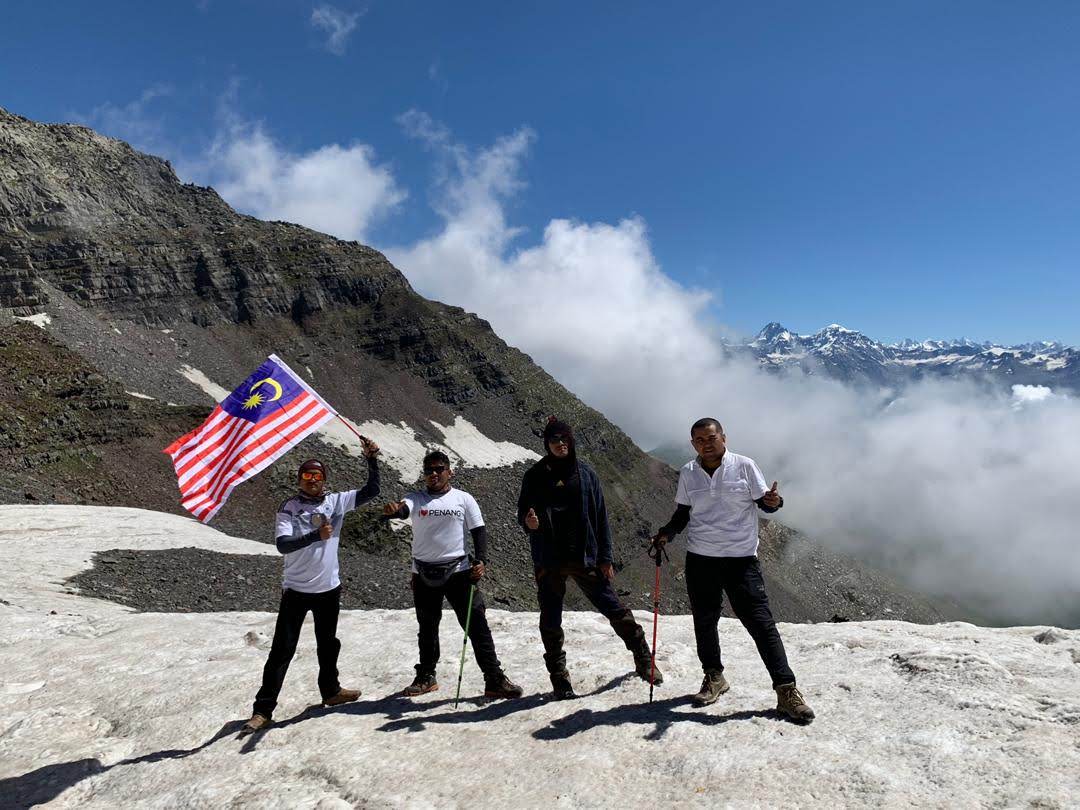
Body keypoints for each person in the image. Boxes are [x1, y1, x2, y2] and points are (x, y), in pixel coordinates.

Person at [651, 418, 815, 723]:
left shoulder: (744, 466)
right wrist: (667, 533)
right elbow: (683, 512)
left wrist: (774, 501)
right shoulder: (688, 472)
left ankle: (786, 689)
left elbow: (765, 503)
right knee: (705, 621)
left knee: (761, 624)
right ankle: (714, 677)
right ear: (693, 444)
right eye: (699, 440)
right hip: (701, 559)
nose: (706, 443)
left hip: (741, 560)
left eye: (711, 437)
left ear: (723, 437)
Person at [242, 437, 381, 734]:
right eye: (307, 476)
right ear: (299, 480)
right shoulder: (289, 507)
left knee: (328, 644)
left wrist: (371, 459)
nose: (312, 481)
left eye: (317, 476)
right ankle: (262, 709)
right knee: (282, 650)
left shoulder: (336, 502)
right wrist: (315, 536)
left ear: (324, 480)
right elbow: (282, 545)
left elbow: (373, 491)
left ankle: (330, 691)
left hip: (328, 588)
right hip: (296, 590)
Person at [517, 417, 660, 700]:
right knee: (550, 621)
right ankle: (559, 679)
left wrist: (606, 557)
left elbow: (600, 517)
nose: (560, 444)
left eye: (565, 439)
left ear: (572, 442)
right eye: (555, 440)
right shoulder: (534, 475)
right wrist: (528, 522)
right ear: (547, 443)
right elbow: (523, 512)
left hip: (586, 558)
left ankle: (644, 658)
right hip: (549, 561)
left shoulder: (586, 474)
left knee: (615, 610)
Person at [382, 451, 523, 700]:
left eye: (439, 469)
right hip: (423, 572)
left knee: (477, 627)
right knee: (427, 628)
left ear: (450, 471)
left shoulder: (464, 499)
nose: (433, 474)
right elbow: (405, 510)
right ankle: (426, 676)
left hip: (459, 572)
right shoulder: (416, 498)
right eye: (429, 470)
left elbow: (479, 530)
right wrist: (396, 510)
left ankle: (494, 678)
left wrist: (481, 560)